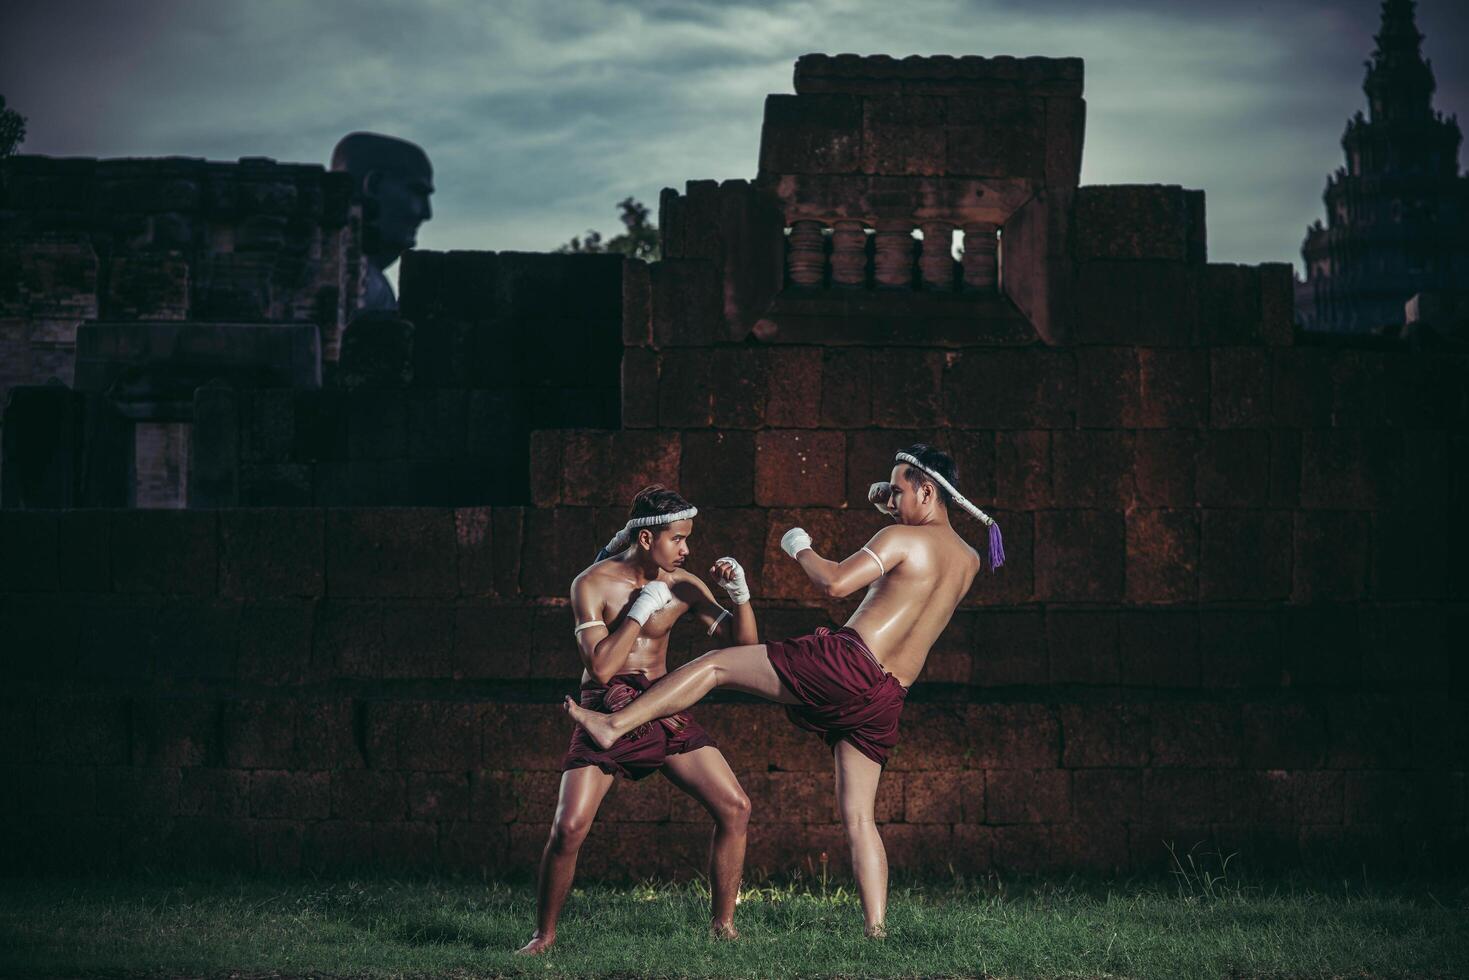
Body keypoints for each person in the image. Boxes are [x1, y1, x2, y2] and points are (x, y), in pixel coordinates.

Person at [564, 445, 1004, 937]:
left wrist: (798, 544)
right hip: (888, 695)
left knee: (713, 665)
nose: (889, 497)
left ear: (927, 491)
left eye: (898, 489)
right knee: (860, 816)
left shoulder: (899, 536)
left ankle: (613, 724)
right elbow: (918, 571)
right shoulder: (966, 559)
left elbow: (834, 583)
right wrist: (898, 504)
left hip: (848, 664)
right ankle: (877, 931)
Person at [516, 485, 758, 955]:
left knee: (736, 807)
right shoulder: (591, 583)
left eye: (688, 539)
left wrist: (740, 596)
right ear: (647, 538)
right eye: (678, 539)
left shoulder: (684, 584)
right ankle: (543, 936)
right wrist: (639, 610)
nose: (687, 549)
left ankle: (723, 928)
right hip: (609, 703)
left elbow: (743, 646)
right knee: (568, 828)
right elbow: (602, 666)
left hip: (663, 704)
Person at [329, 132, 434, 311]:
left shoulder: (370, 285)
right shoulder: (364, 289)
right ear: (374, 185)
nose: (426, 213)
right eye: (417, 192)